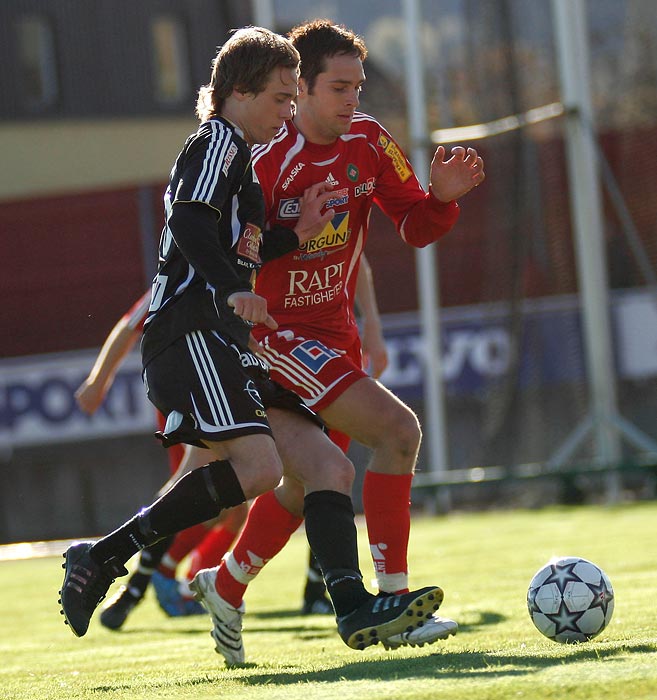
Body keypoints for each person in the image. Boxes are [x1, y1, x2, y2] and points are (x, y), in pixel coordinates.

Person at [58, 26, 443, 658]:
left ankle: (346, 607)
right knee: (267, 469)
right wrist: (232, 289)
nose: (288, 112)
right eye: (281, 98)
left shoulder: (240, 158)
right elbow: (187, 222)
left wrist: (294, 234)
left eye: (295, 99)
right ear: (239, 92)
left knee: (320, 468)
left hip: (223, 339)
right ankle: (106, 559)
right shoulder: (220, 144)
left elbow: (242, 244)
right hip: (195, 336)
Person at [187, 19, 485, 663]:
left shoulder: (371, 141)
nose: (353, 100)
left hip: (334, 336)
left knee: (308, 483)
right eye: (338, 87)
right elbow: (221, 253)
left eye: (359, 86)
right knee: (399, 432)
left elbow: (414, 226)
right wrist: (291, 231)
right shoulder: (263, 160)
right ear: (302, 90)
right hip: (273, 334)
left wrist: (440, 198)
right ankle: (394, 600)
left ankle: (227, 583)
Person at [74, 290, 246, 625]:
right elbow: (130, 325)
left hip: (219, 384)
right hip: (196, 389)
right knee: (208, 494)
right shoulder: (188, 268)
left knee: (230, 507)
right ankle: (154, 579)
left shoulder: (235, 262)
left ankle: (169, 581)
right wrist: (98, 381)